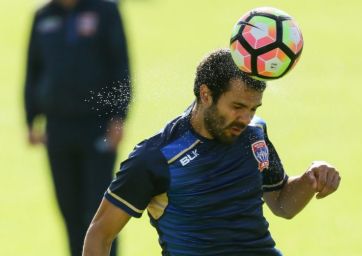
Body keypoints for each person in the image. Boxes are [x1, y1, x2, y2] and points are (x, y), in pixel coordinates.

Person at [83, 49, 340, 255]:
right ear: (206, 94)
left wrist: (310, 179)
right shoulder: (156, 157)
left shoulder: (254, 134)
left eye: (253, 109)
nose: (245, 118)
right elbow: (99, 235)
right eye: (237, 106)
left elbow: (282, 204)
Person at [24, 0, 130, 255]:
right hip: (58, 128)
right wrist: (31, 119)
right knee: (69, 210)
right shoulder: (42, 16)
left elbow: (121, 66)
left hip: (98, 127)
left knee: (100, 212)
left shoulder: (105, 11)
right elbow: (33, 71)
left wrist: (118, 117)